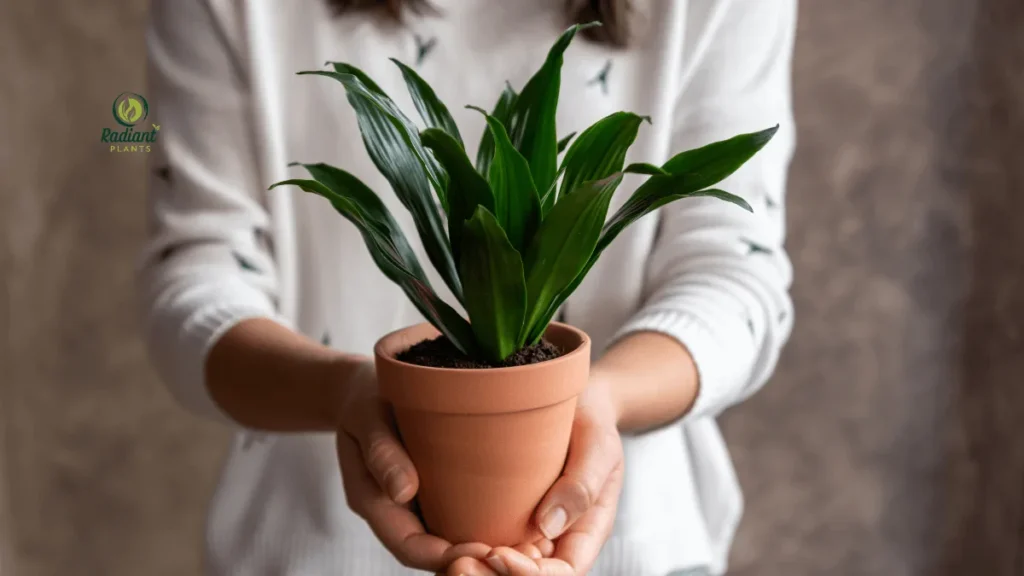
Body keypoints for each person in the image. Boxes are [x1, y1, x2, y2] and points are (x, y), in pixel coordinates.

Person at [139, 0, 796, 574]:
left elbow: (732, 269)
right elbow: (198, 267)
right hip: (306, 551)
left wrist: (603, 399)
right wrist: (340, 391)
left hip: (626, 550)